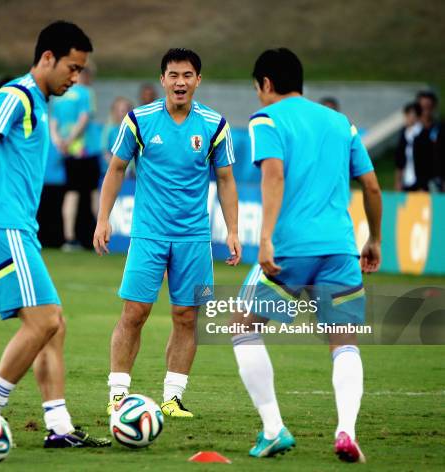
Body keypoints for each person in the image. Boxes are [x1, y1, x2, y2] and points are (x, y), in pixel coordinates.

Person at [0, 21, 110, 448]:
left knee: (55, 325)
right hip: (2, 226)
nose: (75, 79)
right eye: (72, 68)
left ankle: (58, 426)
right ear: (48, 58)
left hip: (17, 229)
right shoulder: (16, 94)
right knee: (45, 320)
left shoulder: (37, 100)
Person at [230, 48, 381, 462]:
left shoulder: (267, 119)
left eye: (257, 88)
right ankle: (346, 432)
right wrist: (375, 240)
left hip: (290, 248)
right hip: (339, 249)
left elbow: (273, 174)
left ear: (265, 84)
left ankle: (274, 428)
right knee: (344, 343)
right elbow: (371, 186)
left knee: (241, 325)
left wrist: (264, 238)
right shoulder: (340, 122)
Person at [94, 48, 240, 418]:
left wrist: (233, 231)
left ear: (198, 80)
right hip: (148, 235)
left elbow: (225, 179)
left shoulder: (214, 124)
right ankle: (118, 394)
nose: (180, 82)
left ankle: (173, 397)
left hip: (195, 239)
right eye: (173, 75)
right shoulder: (138, 120)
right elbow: (115, 170)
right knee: (135, 312)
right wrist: (103, 218)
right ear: (162, 80)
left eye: (187, 75)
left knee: (187, 316)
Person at [50, 63, 100, 250]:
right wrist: (71, 139)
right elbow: (84, 118)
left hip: (68, 152)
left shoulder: (59, 95)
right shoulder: (86, 93)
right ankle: (102, 237)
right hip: (86, 150)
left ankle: (69, 238)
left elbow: (53, 123)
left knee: (71, 193)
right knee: (94, 194)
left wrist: (59, 142)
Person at [414, 90, 440, 190]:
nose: (425, 111)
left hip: (435, 183)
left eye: (428, 107)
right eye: (422, 107)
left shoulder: (439, 129)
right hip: (411, 184)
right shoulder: (410, 131)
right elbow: (401, 159)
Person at [394, 102, 423, 191]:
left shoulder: (423, 135)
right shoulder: (404, 134)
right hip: (406, 181)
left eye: (410, 115)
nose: (407, 118)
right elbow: (400, 160)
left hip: (421, 183)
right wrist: (398, 181)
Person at [102, 96, 133, 167]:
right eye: (122, 111)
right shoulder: (109, 129)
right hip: (112, 168)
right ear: (114, 112)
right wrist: (115, 167)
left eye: (128, 110)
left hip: (131, 171)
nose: (126, 113)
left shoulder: (133, 129)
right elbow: (105, 151)